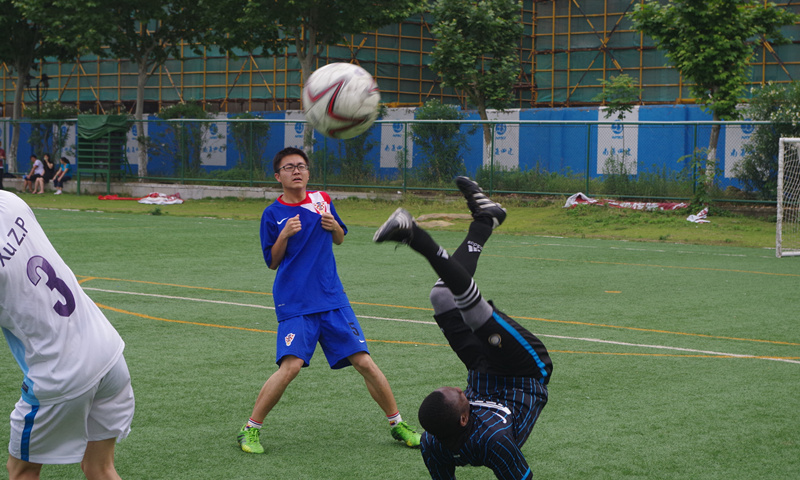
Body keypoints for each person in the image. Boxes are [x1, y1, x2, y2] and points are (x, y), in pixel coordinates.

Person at [237, 146, 421, 454]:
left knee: (364, 361)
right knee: (291, 366)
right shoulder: (273, 214)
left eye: (301, 166)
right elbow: (272, 261)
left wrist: (334, 226)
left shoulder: (322, 200)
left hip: (332, 298)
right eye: (289, 167)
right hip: (295, 302)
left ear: (308, 172)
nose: (296, 171)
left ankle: (398, 424)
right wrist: (284, 235)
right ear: (278, 176)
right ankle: (250, 429)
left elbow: (339, 238)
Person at [373, 177, 553, 480]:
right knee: (476, 313)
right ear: (464, 418)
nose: (458, 389)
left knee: (441, 296)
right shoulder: (494, 441)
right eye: (456, 395)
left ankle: (486, 220)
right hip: (524, 373)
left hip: (481, 370)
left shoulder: (432, 441)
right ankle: (414, 235)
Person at [0, 190, 135, 480]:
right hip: (106, 350)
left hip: (60, 373)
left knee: (21, 470)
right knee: (100, 468)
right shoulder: (11, 202)